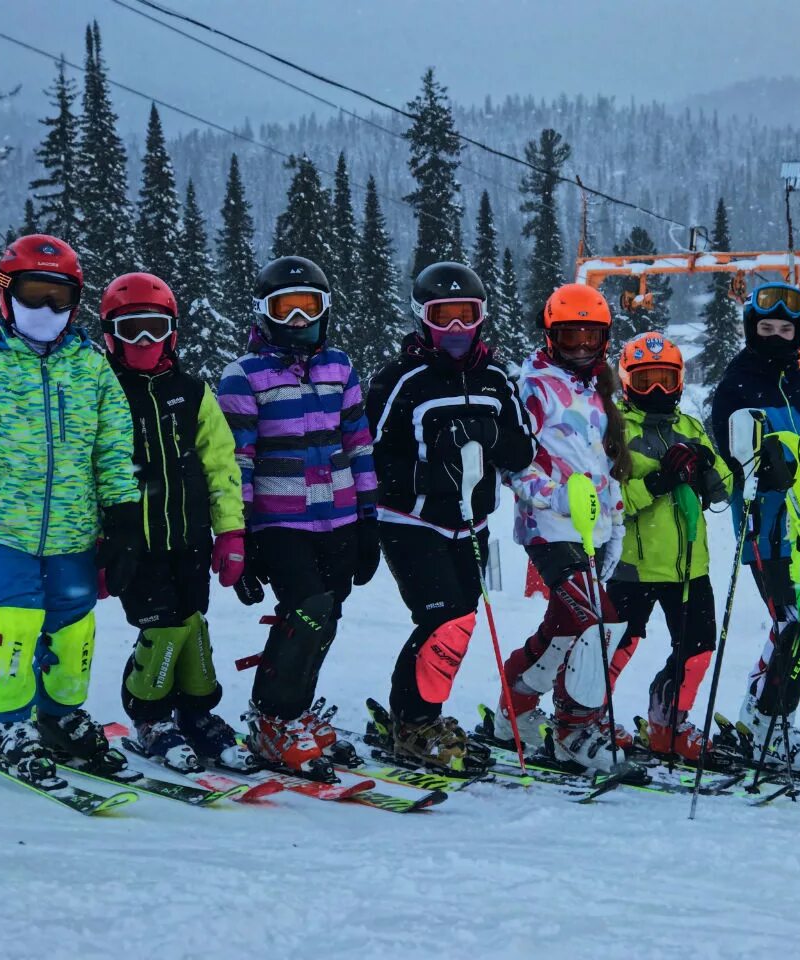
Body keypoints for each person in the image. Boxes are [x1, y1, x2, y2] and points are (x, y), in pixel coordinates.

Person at [0, 234, 141, 786]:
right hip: (6, 532)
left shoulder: (93, 372)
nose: (47, 309)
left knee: (74, 630)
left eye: (60, 296)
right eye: (34, 294)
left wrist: (123, 521)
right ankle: (6, 721)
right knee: (14, 623)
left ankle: (59, 715)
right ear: (7, 294)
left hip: (74, 534)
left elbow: (113, 452)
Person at [365, 262, 535, 772]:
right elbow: (367, 457)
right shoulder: (401, 381)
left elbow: (521, 449)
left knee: (458, 622)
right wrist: (430, 469)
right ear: (423, 319)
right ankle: (415, 722)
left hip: (472, 523)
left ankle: (412, 714)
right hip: (411, 522)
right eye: (445, 317)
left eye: (467, 315)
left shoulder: (496, 378)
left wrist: (486, 439)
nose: (457, 329)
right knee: (443, 618)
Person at [217, 256, 380, 777]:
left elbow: (358, 444)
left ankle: (293, 711)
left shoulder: (339, 367)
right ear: (263, 313)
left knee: (323, 617)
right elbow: (235, 460)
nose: (296, 320)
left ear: (324, 310)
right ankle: (273, 718)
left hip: (338, 517)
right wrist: (239, 534)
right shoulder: (244, 377)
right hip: (279, 523)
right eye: (283, 308)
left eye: (306, 307)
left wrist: (369, 515)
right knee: (306, 609)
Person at [100, 272, 255, 772]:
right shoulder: (101, 393)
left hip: (188, 536)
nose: (144, 341)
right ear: (110, 334)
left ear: (173, 332)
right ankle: (149, 715)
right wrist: (95, 545)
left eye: (155, 327)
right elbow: (85, 474)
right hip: (133, 542)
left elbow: (221, 464)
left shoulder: (191, 392)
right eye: (131, 329)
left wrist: (230, 531)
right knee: (160, 624)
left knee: (191, 620)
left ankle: (195, 712)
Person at [489, 283, 631, 774]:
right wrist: (559, 499)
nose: (582, 347)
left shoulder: (598, 389)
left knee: (571, 626)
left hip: (589, 529)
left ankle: (517, 703)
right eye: (570, 337)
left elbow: (604, 467)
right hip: (547, 525)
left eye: (592, 337)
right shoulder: (532, 385)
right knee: (597, 618)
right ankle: (574, 729)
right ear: (551, 335)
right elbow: (512, 465)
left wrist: (614, 526)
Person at [709, 281, 800, 764]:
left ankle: (759, 715)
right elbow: (728, 451)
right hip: (766, 524)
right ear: (751, 331)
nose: (777, 336)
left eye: (786, 328)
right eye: (767, 328)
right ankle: (768, 723)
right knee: (799, 623)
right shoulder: (737, 381)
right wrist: (761, 461)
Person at [608, 333, 731, 762]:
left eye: (665, 379)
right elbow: (610, 500)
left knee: (697, 651)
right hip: (632, 566)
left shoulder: (690, 426)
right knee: (616, 647)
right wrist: (658, 481)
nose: (657, 391)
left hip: (689, 566)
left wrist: (706, 464)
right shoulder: (615, 427)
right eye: (646, 381)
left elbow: (724, 493)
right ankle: (585, 719)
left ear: (679, 381)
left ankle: (669, 725)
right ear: (627, 382)